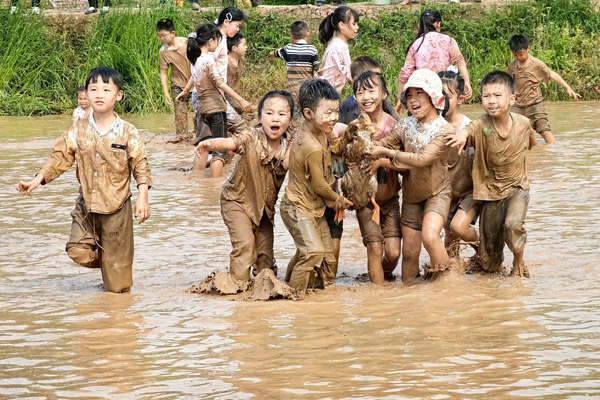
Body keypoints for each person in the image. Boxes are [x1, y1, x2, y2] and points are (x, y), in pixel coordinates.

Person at [16, 67, 151, 293]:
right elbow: (60, 156)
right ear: (85, 95)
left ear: (118, 95)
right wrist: (37, 180)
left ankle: (115, 270)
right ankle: (110, 262)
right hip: (86, 205)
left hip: (117, 207)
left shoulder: (128, 131)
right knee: (77, 250)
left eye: (106, 89)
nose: (99, 94)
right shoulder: (78, 130)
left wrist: (143, 197)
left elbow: (140, 165)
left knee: (117, 290)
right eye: (94, 89)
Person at [196, 90, 294, 281]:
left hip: (264, 209)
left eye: (282, 114)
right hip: (236, 201)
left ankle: (261, 303)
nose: (275, 118)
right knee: (246, 247)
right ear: (260, 117)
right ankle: (237, 292)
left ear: (290, 121)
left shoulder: (291, 144)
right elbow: (231, 143)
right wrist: (208, 144)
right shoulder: (251, 136)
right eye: (269, 113)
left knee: (265, 259)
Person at [447, 71, 537, 276]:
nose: (491, 101)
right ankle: (493, 264)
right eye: (486, 96)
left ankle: (518, 263)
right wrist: (461, 137)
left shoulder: (523, 123)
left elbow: (531, 141)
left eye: (498, 95)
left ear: (512, 99)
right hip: (489, 193)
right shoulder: (480, 125)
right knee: (488, 264)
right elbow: (466, 131)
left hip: (517, 188)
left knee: (512, 224)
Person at [368, 69, 455, 281]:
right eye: (409, 95)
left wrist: (386, 155)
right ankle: (410, 299)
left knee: (430, 236)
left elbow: (421, 159)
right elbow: (381, 144)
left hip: (437, 193)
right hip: (412, 195)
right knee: (408, 254)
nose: (413, 100)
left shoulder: (445, 130)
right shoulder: (405, 126)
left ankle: (448, 288)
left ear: (434, 96)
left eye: (419, 94)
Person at [281, 79, 352, 293]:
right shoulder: (311, 146)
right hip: (297, 207)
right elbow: (321, 186)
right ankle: (294, 298)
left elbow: (336, 147)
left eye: (336, 111)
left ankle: (325, 296)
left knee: (328, 259)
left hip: (315, 208)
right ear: (309, 113)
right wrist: (340, 200)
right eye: (328, 112)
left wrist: (349, 133)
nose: (334, 118)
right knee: (313, 252)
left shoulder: (322, 131)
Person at [331, 72, 402, 284]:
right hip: (364, 201)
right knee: (374, 247)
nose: (366, 96)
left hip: (389, 200)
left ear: (384, 94)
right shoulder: (352, 128)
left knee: (393, 253)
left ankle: (383, 273)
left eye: (371, 91)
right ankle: (377, 297)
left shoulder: (395, 127)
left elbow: (405, 163)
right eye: (360, 92)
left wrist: (382, 161)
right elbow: (338, 160)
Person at [177, 24, 251, 178]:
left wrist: (185, 92)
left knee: (203, 144)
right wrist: (241, 100)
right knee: (219, 149)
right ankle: (214, 184)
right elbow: (220, 83)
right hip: (216, 109)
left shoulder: (195, 60)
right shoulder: (208, 60)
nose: (217, 44)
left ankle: (197, 179)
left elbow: (193, 79)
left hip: (202, 109)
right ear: (211, 41)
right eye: (217, 40)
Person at [507, 34, 581, 144]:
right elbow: (507, 82)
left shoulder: (537, 64)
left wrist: (568, 88)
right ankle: (535, 153)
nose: (518, 57)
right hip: (517, 106)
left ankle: (550, 153)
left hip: (535, 105)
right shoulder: (512, 66)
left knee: (544, 130)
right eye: (515, 55)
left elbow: (552, 74)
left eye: (521, 54)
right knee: (517, 132)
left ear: (528, 48)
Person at [395, 9, 472, 113]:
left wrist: (400, 97)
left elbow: (405, 73)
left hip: (423, 92)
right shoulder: (448, 40)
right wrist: (467, 81)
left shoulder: (415, 45)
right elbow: (459, 60)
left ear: (419, 26)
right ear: (439, 24)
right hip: (444, 89)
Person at [438, 68, 480, 257]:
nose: (441, 100)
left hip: (469, 192)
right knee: (450, 242)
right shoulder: (432, 126)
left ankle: (483, 248)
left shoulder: (470, 127)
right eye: (437, 95)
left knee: (458, 227)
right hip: (446, 193)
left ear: (461, 99)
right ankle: (454, 278)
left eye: (447, 96)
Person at [269, 20, 320, 116]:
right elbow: (316, 64)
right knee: (307, 108)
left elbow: (276, 53)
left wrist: (270, 53)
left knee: (295, 109)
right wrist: (316, 72)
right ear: (307, 35)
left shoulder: (288, 48)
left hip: (293, 88)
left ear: (292, 36)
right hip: (307, 87)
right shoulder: (312, 49)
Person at [157, 18, 193, 137]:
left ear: (172, 33)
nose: (161, 39)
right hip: (178, 86)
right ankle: (181, 140)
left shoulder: (187, 43)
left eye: (163, 35)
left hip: (195, 83)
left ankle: (200, 137)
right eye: (158, 36)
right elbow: (163, 71)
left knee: (201, 112)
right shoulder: (163, 51)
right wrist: (165, 91)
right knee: (180, 116)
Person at [339, 56, 400, 125]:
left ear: (384, 94)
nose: (378, 79)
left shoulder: (383, 103)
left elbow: (398, 124)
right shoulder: (347, 105)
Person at [318, 6, 359, 94]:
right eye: (354, 24)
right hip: (326, 93)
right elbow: (348, 73)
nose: (357, 28)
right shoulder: (339, 47)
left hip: (327, 91)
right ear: (341, 25)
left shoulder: (338, 43)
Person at [227, 33, 253, 122]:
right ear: (234, 48)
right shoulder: (225, 62)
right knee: (247, 112)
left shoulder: (241, 59)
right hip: (225, 96)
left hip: (236, 95)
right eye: (244, 45)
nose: (246, 47)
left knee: (250, 112)